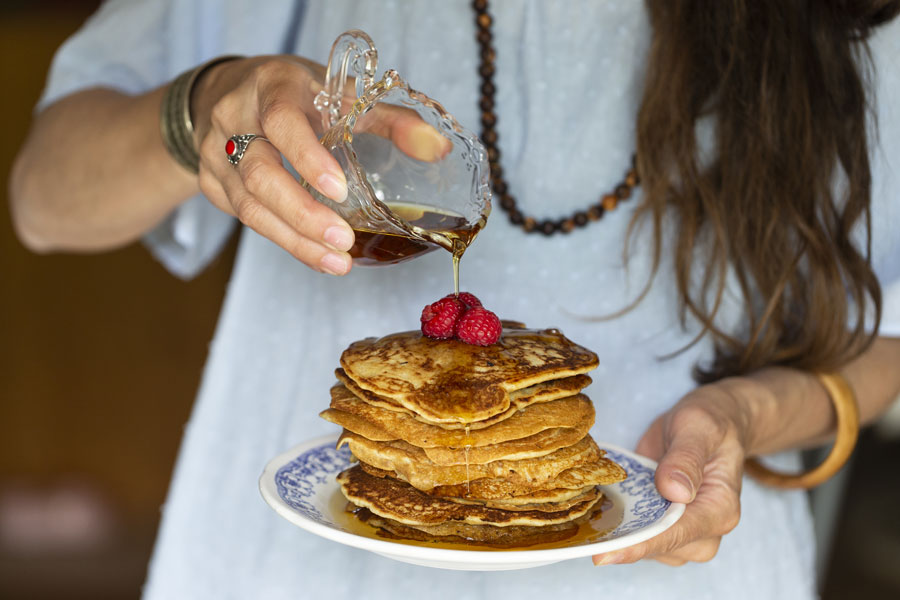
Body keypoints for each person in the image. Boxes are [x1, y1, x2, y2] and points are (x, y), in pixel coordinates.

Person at [9, 1, 900, 598]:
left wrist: (743, 414)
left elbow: (888, 330)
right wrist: (199, 108)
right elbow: (43, 199)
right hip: (301, 557)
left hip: (673, 558)